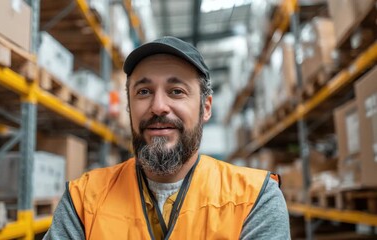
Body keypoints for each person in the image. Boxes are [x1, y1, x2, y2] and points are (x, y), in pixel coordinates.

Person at [44, 36, 290, 239]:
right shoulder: (83, 200)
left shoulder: (255, 198)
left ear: (205, 107)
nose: (159, 106)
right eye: (143, 92)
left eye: (176, 91)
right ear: (129, 107)